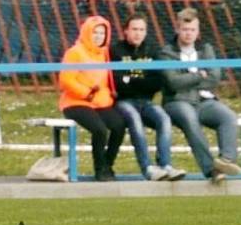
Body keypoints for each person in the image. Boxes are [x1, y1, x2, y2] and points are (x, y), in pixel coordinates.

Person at [159, 8, 241, 184]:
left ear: (198, 31)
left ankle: (226, 160)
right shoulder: (167, 52)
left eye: (192, 30)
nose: (189, 34)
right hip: (177, 101)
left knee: (228, 116)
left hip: (204, 101)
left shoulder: (206, 49)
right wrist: (198, 76)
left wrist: (190, 80)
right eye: (185, 29)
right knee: (189, 118)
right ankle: (211, 170)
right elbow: (173, 83)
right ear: (178, 29)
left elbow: (214, 78)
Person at [110, 14, 186, 181]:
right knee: (135, 120)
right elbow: (117, 83)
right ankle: (148, 168)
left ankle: (166, 165)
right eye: (134, 29)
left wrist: (130, 79)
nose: (138, 33)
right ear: (126, 31)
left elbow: (157, 82)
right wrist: (140, 81)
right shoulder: (115, 50)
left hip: (146, 100)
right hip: (123, 101)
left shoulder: (152, 50)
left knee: (164, 119)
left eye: (142, 29)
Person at [59, 16, 125, 182]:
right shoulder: (74, 52)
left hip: (99, 103)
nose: (99, 36)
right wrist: (86, 93)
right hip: (75, 103)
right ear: (87, 32)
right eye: (95, 32)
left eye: (102, 33)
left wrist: (107, 98)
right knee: (99, 130)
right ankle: (99, 169)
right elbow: (66, 80)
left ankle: (107, 165)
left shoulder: (104, 54)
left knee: (118, 126)